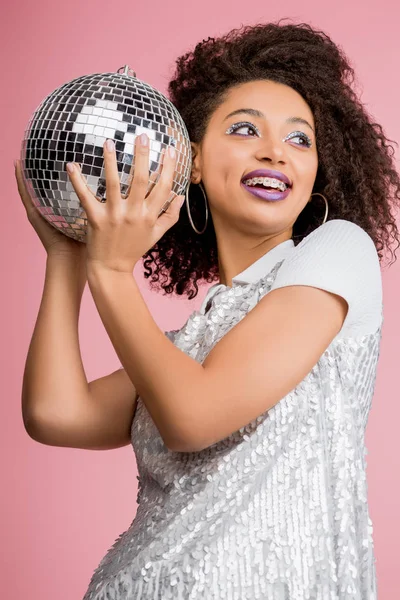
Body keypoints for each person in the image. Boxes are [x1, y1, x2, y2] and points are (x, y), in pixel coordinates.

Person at [17, 20, 400, 600]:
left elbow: (193, 416)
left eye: (301, 139)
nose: (275, 151)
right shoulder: (178, 350)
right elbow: (55, 412)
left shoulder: (339, 252)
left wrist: (113, 271)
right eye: (246, 129)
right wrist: (68, 252)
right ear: (188, 163)